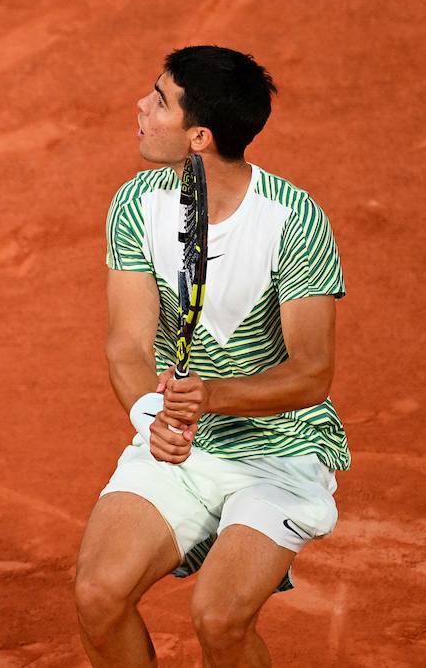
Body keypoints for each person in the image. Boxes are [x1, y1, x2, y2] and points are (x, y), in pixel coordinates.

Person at [74, 45, 349, 667]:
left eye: (161, 100)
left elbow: (312, 371)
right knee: (98, 595)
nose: (142, 106)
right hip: (184, 445)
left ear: (198, 136)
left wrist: (212, 398)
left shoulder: (293, 220)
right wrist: (156, 417)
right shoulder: (137, 203)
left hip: (277, 456)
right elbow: (127, 344)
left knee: (220, 619)